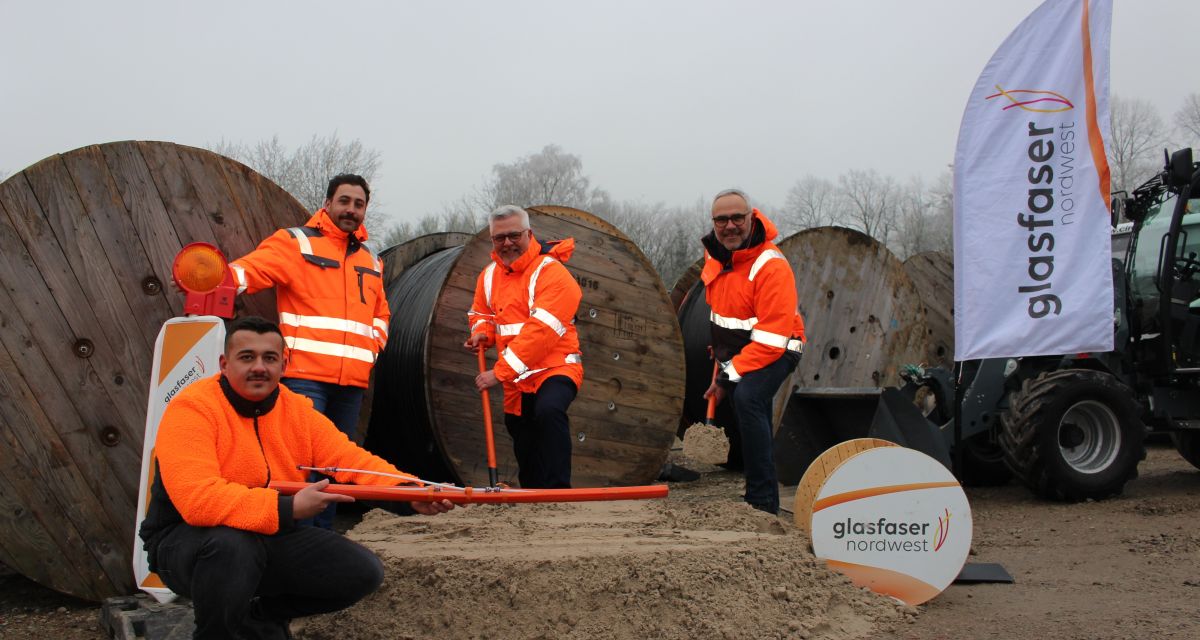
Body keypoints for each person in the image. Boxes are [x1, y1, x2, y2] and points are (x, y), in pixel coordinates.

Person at [139, 316, 453, 639]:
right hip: (187, 541)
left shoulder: (297, 412)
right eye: (247, 357)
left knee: (362, 572)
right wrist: (286, 509)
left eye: (270, 358)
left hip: (269, 535)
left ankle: (258, 617)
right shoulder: (192, 409)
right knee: (232, 547)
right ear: (224, 363)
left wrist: (408, 491)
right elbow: (198, 501)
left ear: (284, 364)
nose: (259, 367)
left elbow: (352, 463)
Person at [229, 174, 388, 529]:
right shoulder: (297, 243)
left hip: (351, 385)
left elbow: (381, 314)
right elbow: (252, 269)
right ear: (328, 203)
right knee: (301, 467)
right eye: (344, 201)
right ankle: (296, 542)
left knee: (337, 469)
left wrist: (372, 348)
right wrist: (215, 281)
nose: (351, 210)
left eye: (358, 204)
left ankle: (324, 542)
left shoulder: (372, 261)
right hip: (304, 379)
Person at [701, 189, 806, 514]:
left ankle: (762, 502)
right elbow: (722, 320)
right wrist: (721, 372)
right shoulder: (717, 259)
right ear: (713, 223)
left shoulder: (771, 266)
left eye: (737, 218)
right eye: (722, 219)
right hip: (743, 350)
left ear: (752, 217)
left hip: (780, 347)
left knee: (749, 398)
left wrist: (731, 375)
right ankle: (757, 491)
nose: (730, 226)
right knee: (743, 400)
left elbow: (772, 339)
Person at [464, 205, 584, 489]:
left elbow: (539, 333)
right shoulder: (489, 276)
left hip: (555, 367)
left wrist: (499, 372)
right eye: (499, 238)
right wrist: (482, 333)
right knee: (520, 429)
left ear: (529, 234)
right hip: (518, 379)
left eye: (514, 235)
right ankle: (532, 495)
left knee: (549, 411)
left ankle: (558, 493)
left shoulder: (553, 274)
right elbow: (480, 313)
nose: (507, 243)